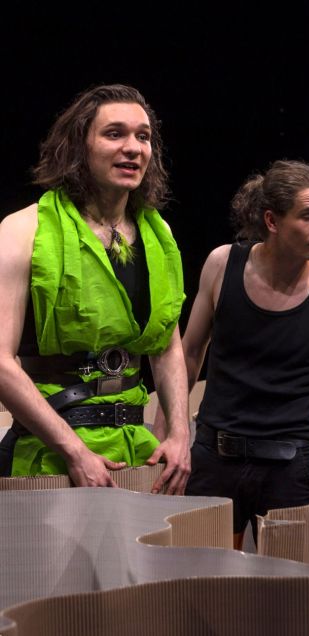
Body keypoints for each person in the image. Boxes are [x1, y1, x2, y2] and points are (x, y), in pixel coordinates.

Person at [0, 84, 191, 493]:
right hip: (51, 454)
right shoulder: (23, 231)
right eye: (114, 133)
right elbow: (0, 360)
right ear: (78, 146)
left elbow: (165, 343)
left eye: (143, 136)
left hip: (137, 452)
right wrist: (74, 451)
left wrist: (179, 433)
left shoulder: (158, 235)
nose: (133, 148)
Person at [168, 160, 309, 547]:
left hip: (288, 469)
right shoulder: (223, 264)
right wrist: (170, 434)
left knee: (287, 581)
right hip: (215, 456)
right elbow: (189, 353)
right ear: (272, 220)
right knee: (204, 575)